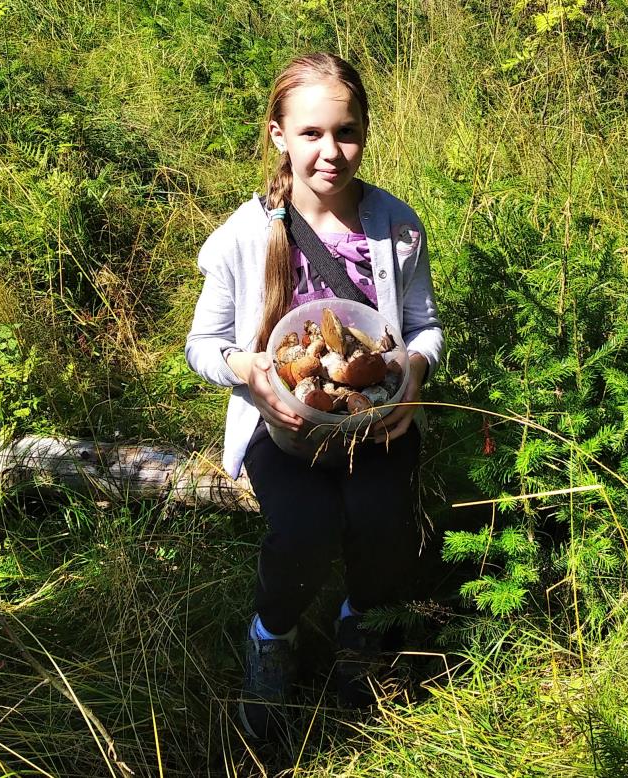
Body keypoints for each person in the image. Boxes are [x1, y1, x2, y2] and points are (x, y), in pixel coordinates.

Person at [184, 52, 442, 739]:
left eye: (346, 132)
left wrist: (414, 375)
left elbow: (423, 327)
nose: (331, 151)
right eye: (311, 133)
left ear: (365, 132)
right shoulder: (245, 234)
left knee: (383, 523)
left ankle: (362, 634)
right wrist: (248, 370)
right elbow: (202, 344)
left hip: (377, 420)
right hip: (281, 426)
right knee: (303, 531)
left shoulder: (396, 226)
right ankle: (272, 638)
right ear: (278, 135)